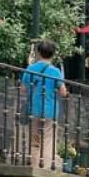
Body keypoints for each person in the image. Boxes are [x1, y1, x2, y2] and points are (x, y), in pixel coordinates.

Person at [20, 39, 68, 168]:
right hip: (50, 110)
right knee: (48, 139)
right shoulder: (55, 71)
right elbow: (63, 92)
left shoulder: (30, 68)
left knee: (35, 139)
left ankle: (34, 165)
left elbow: (23, 90)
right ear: (52, 54)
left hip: (33, 109)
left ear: (39, 52)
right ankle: (46, 167)